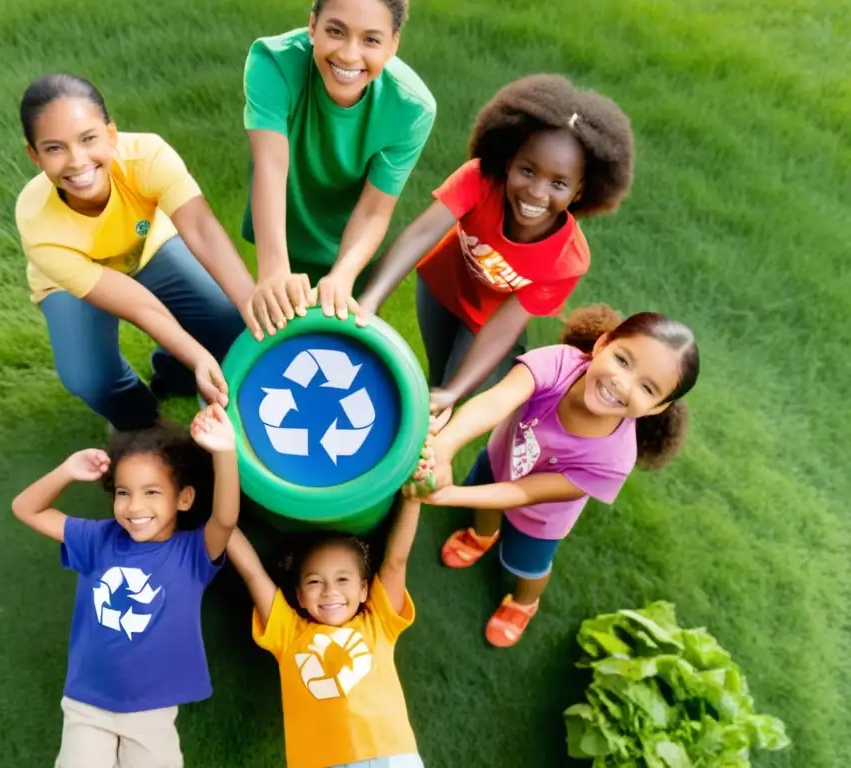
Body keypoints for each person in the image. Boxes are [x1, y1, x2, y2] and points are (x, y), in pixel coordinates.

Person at [358, 74, 635, 429]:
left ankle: (408, 449)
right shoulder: (479, 180)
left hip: (485, 323)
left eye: (558, 183)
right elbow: (421, 233)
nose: (536, 192)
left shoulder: (568, 259)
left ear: (580, 191)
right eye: (527, 170)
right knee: (437, 371)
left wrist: (455, 392)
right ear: (508, 161)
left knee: (448, 389)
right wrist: (371, 298)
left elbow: (506, 325)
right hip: (440, 291)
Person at [412, 305, 699, 648]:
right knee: (484, 505)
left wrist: (448, 496)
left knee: (526, 565)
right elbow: (497, 401)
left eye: (648, 388)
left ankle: (524, 602)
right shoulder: (560, 362)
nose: (622, 383)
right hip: (498, 459)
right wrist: (444, 446)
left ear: (657, 408)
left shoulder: (614, 460)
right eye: (623, 360)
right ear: (602, 344)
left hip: (541, 518)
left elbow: (522, 494)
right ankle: (482, 535)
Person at [15, 73, 260, 432]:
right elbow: (138, 305)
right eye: (55, 148)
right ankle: (143, 423)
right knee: (89, 379)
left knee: (230, 322)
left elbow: (203, 231)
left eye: (88, 139)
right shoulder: (35, 219)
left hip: (148, 248)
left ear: (111, 136)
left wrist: (252, 307)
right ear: (34, 156)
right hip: (71, 283)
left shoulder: (148, 156)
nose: (77, 161)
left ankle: (175, 375)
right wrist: (197, 354)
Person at [11, 405, 239, 766]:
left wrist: (225, 451)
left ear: (184, 499)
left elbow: (225, 518)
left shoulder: (191, 553)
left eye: (151, 492)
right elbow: (26, 509)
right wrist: (66, 471)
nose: (134, 507)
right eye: (123, 492)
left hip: (152, 711)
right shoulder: (97, 539)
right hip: (87, 704)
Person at [241, 0, 436, 334]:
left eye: (371, 40)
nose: (348, 54)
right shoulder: (272, 61)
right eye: (335, 31)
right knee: (257, 328)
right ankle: (176, 366)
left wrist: (343, 275)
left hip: (350, 242)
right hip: (280, 226)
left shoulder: (411, 107)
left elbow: (375, 209)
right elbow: (270, 166)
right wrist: (274, 268)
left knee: (338, 344)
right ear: (312, 25)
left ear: (393, 44)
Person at [226, 494, 426, 768]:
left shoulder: (379, 621)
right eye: (315, 581)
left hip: (392, 754)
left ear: (364, 589)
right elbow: (252, 573)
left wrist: (413, 500)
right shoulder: (286, 632)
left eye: (343, 579)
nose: (330, 591)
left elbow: (396, 561)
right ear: (299, 596)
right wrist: (220, 520)